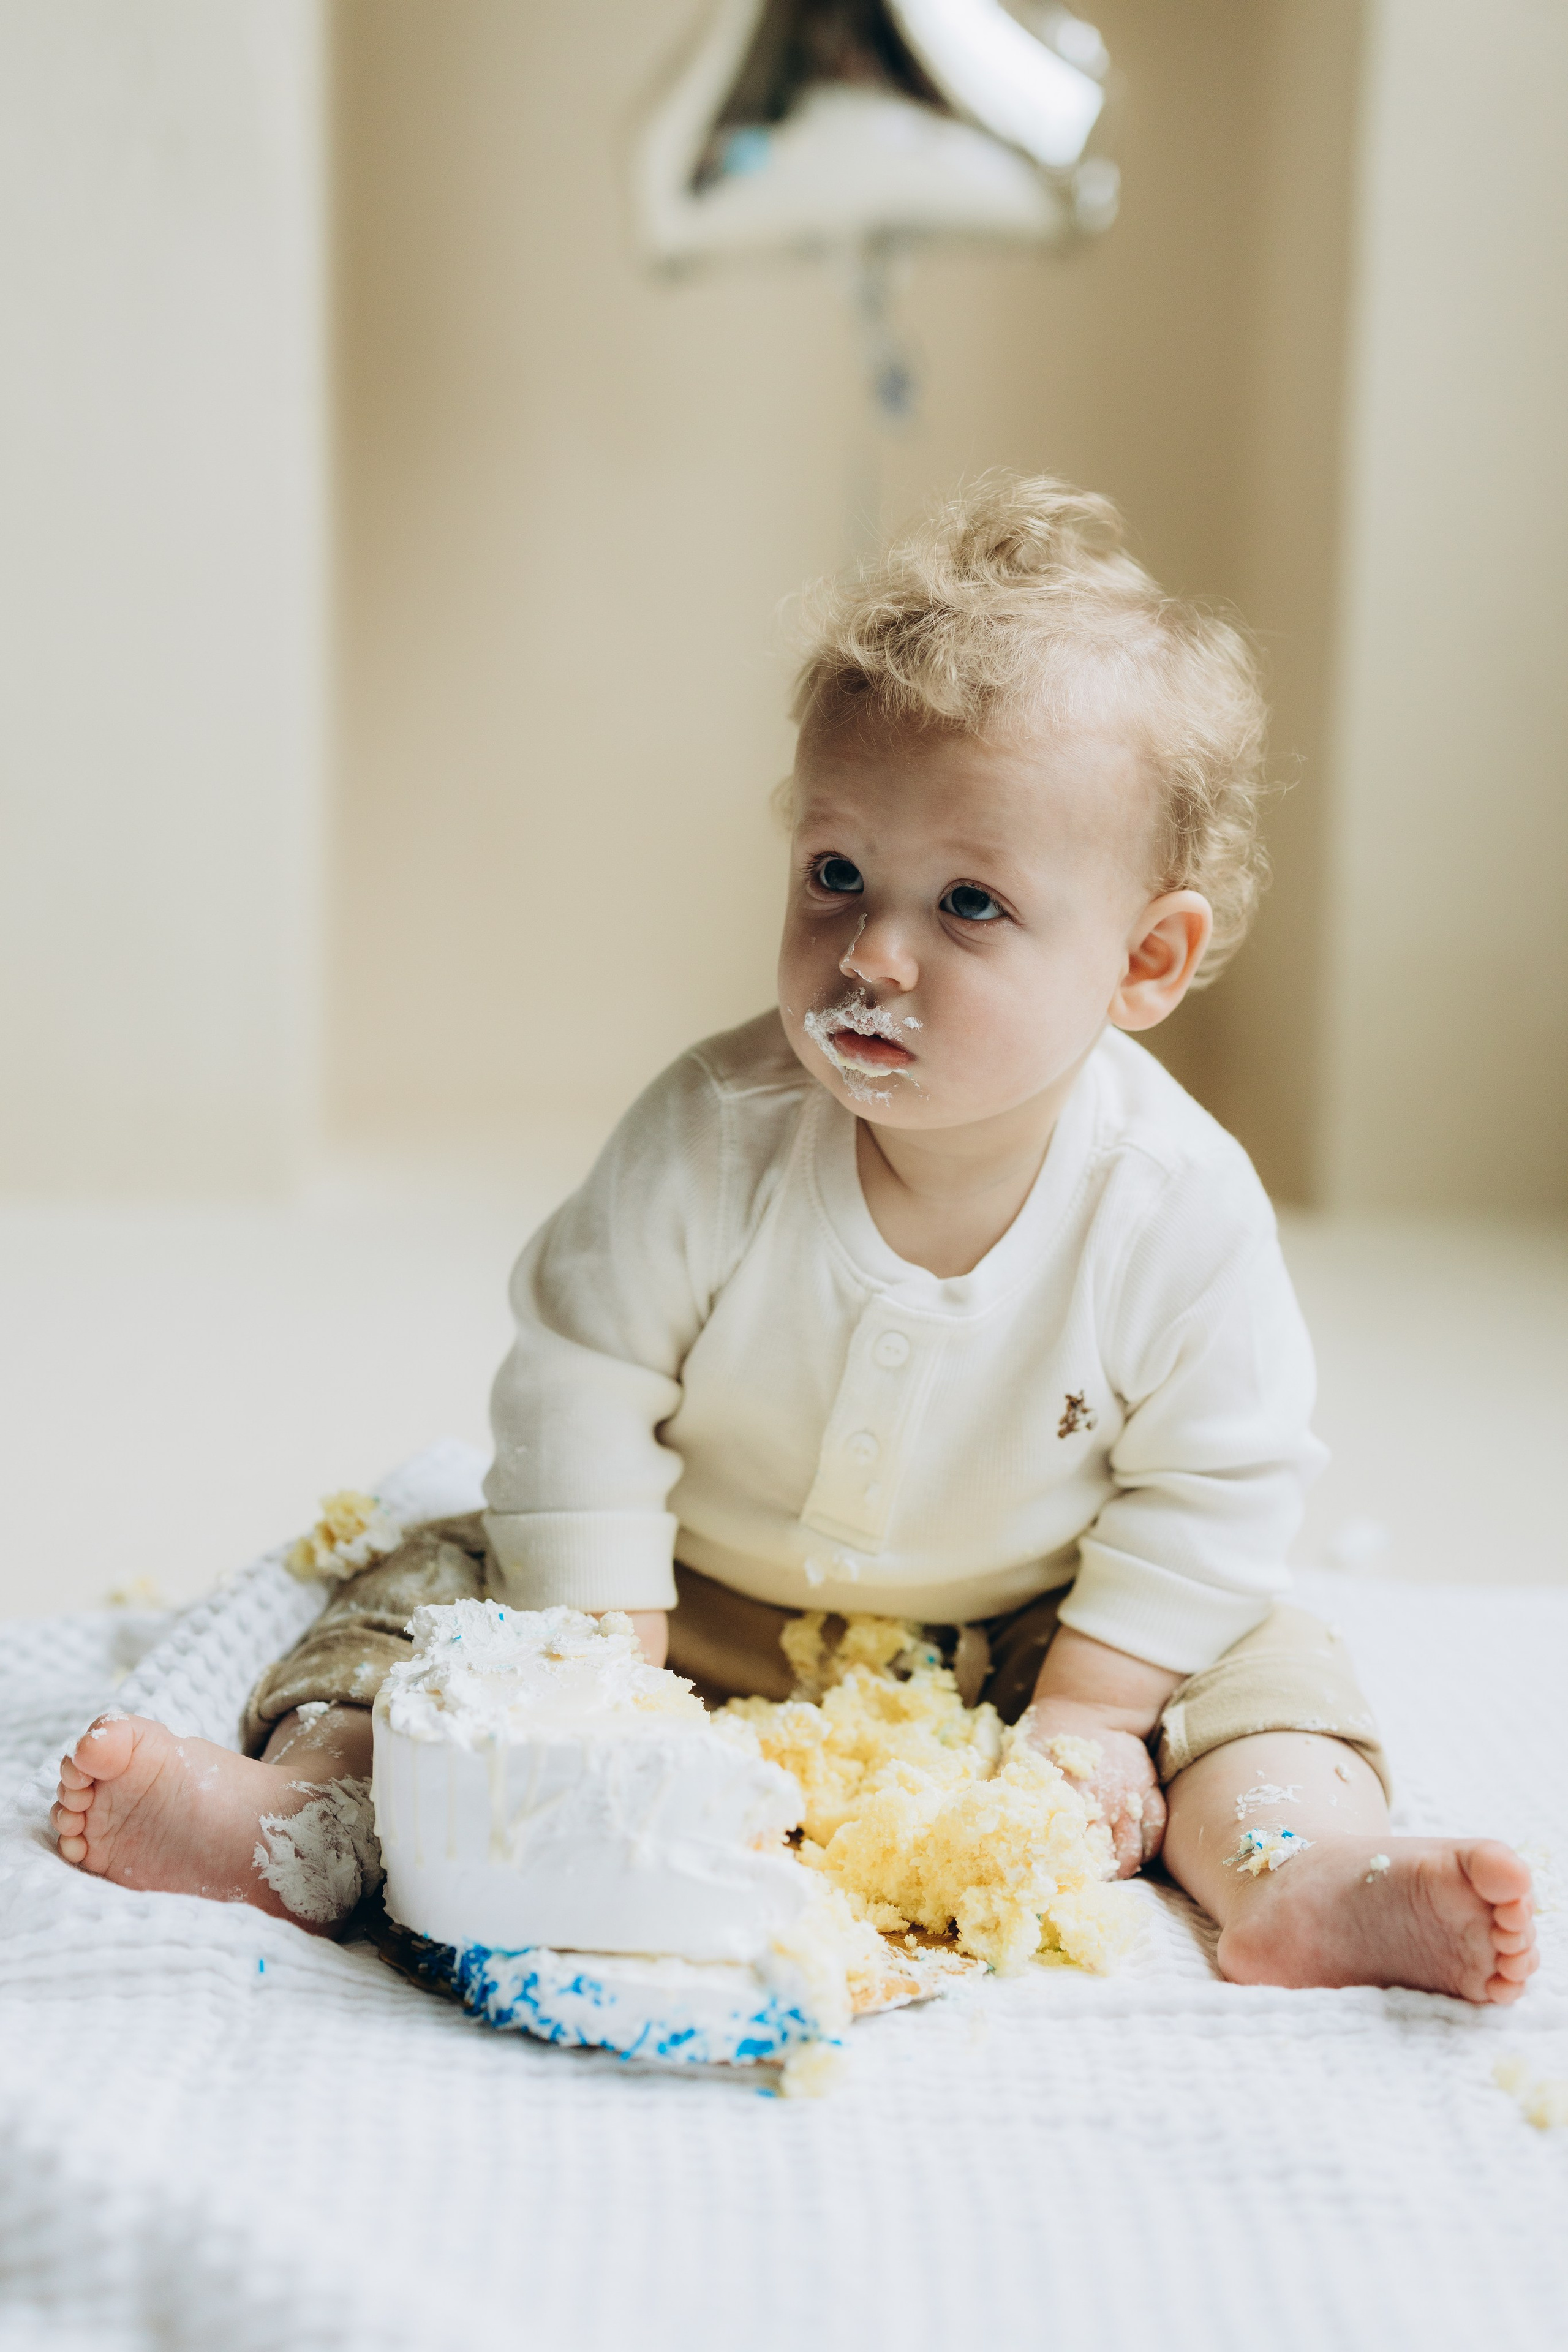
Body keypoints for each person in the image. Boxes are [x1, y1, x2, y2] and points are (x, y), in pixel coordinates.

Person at [53, 476, 1537, 2002]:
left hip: (1027, 1627)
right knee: (436, 1602)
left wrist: (1094, 1709)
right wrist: (599, 1661)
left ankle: (1295, 1873)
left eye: (967, 904)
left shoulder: (1176, 1207)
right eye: (837, 876)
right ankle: (315, 1814)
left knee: (1262, 1669)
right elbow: (581, 1378)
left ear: (1141, 961)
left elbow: (1218, 1479)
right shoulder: (713, 1130)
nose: (871, 953)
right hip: (681, 1585)